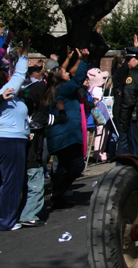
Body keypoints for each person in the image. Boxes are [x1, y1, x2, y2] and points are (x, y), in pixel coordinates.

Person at [20, 65, 67, 227]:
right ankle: (28, 215)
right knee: (36, 185)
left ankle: (22, 211)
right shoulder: (37, 118)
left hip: (25, 153)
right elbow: (53, 120)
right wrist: (61, 112)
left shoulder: (23, 117)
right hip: (33, 153)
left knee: (27, 183)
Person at [45, 47, 90, 210]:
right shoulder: (63, 89)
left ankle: (59, 195)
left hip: (61, 135)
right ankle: (59, 192)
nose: (67, 73)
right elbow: (78, 79)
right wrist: (84, 61)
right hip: (66, 136)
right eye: (63, 73)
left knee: (63, 167)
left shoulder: (54, 90)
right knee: (76, 166)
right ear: (59, 77)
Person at [0, 33, 30, 231]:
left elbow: (19, 73)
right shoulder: (6, 90)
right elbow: (20, 73)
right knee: (11, 181)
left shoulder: (10, 94)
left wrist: (25, 47)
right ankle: (7, 220)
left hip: (12, 139)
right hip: (9, 141)